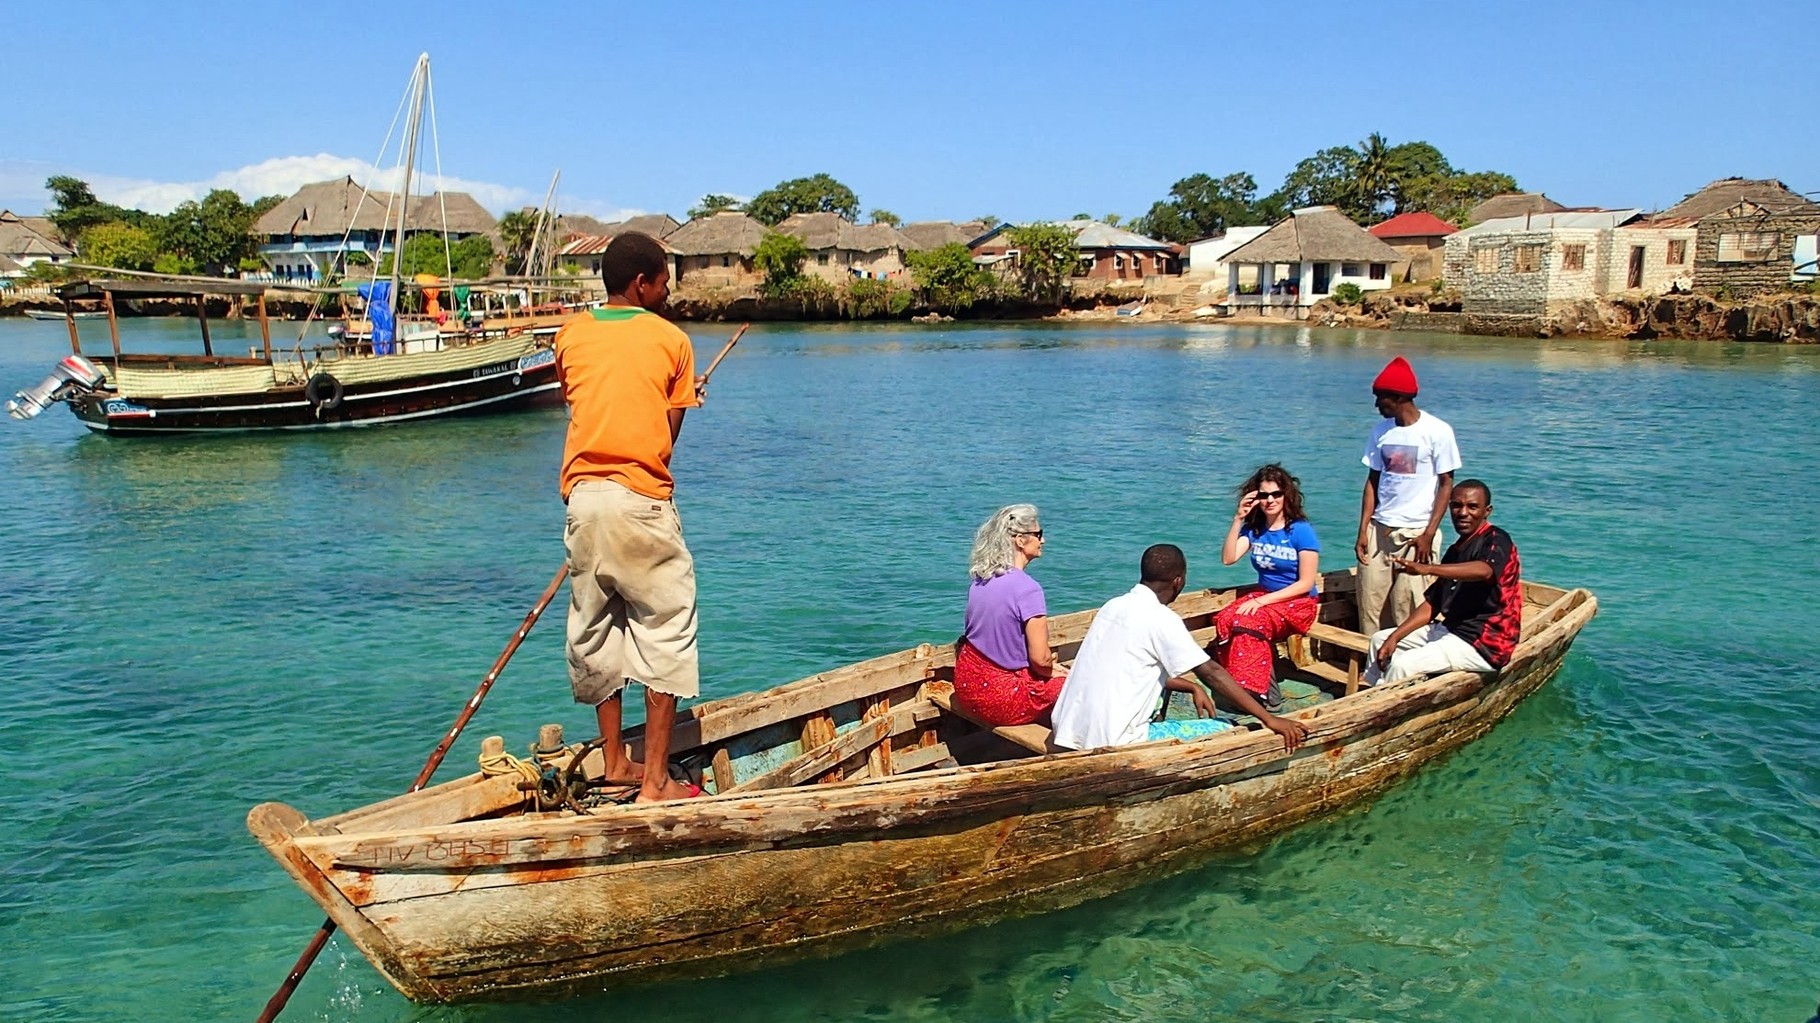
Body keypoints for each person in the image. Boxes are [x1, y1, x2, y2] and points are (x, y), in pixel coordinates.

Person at [555, 231, 705, 803]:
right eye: (664, 280)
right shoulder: (673, 340)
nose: (668, 291)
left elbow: (590, 403)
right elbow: (663, 440)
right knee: (663, 631)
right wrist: (682, 397)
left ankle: (615, 761)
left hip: (584, 501)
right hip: (640, 501)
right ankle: (656, 782)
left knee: (597, 630)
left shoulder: (570, 334)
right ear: (642, 282)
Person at [1050, 544, 1309, 753]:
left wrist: (1192, 686)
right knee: (1226, 727)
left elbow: (1133, 667)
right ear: (1178, 581)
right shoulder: (1160, 618)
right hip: (1115, 739)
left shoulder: (1113, 606)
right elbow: (1211, 672)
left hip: (1068, 728)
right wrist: (1269, 719)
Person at [1365, 480, 1521, 686]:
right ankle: (1369, 692)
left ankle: (1382, 709)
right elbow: (1433, 603)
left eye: (1472, 507)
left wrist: (1428, 568)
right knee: (1379, 641)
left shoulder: (1496, 539)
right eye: (1456, 506)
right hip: (1451, 630)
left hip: (1484, 643)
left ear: (1487, 511)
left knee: (1404, 664)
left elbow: (1485, 570)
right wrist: (1395, 636)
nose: (1463, 513)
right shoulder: (1455, 551)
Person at [1355, 355, 1462, 636]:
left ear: (1399, 397)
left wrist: (1429, 533)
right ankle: (1373, 663)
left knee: (1410, 603)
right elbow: (1372, 481)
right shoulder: (1381, 432)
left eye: (1381, 398)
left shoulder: (1437, 432)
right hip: (1379, 529)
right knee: (1371, 604)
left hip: (1416, 532)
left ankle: (1408, 666)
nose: (1377, 405)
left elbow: (1446, 484)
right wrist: (1363, 529)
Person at [1213, 464, 1321, 712]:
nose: (1270, 500)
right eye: (1264, 495)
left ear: (1286, 495)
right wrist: (1238, 518)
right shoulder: (1254, 529)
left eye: (1276, 494)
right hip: (1267, 597)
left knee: (1251, 622)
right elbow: (1229, 559)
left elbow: (1305, 583)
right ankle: (1244, 685)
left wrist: (1261, 602)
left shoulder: (1301, 531)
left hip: (1299, 602)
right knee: (1227, 618)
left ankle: (1267, 696)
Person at [954, 504, 1066, 726]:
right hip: (1001, 698)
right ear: (1020, 540)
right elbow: (1040, 660)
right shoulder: (1029, 589)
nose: (1043, 540)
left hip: (966, 687)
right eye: (1038, 534)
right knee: (1080, 683)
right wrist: (1055, 671)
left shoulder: (980, 580)